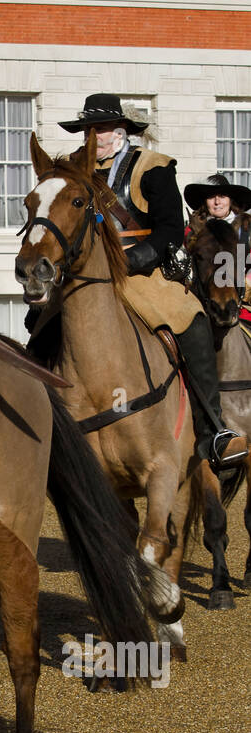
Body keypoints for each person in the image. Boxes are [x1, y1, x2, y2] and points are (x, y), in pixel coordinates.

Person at [57, 93, 247, 471]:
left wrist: (133, 259)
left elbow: (169, 230)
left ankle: (213, 431)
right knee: (40, 329)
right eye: (88, 129)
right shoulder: (73, 168)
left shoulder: (153, 166)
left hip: (140, 272)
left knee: (193, 322)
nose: (93, 136)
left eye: (101, 128)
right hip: (84, 274)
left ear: (121, 130)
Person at [183, 172, 251, 236]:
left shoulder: (246, 227)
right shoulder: (191, 231)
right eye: (211, 197)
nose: (217, 202)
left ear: (230, 201)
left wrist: (240, 248)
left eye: (222, 196)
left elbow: (242, 248)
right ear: (205, 203)